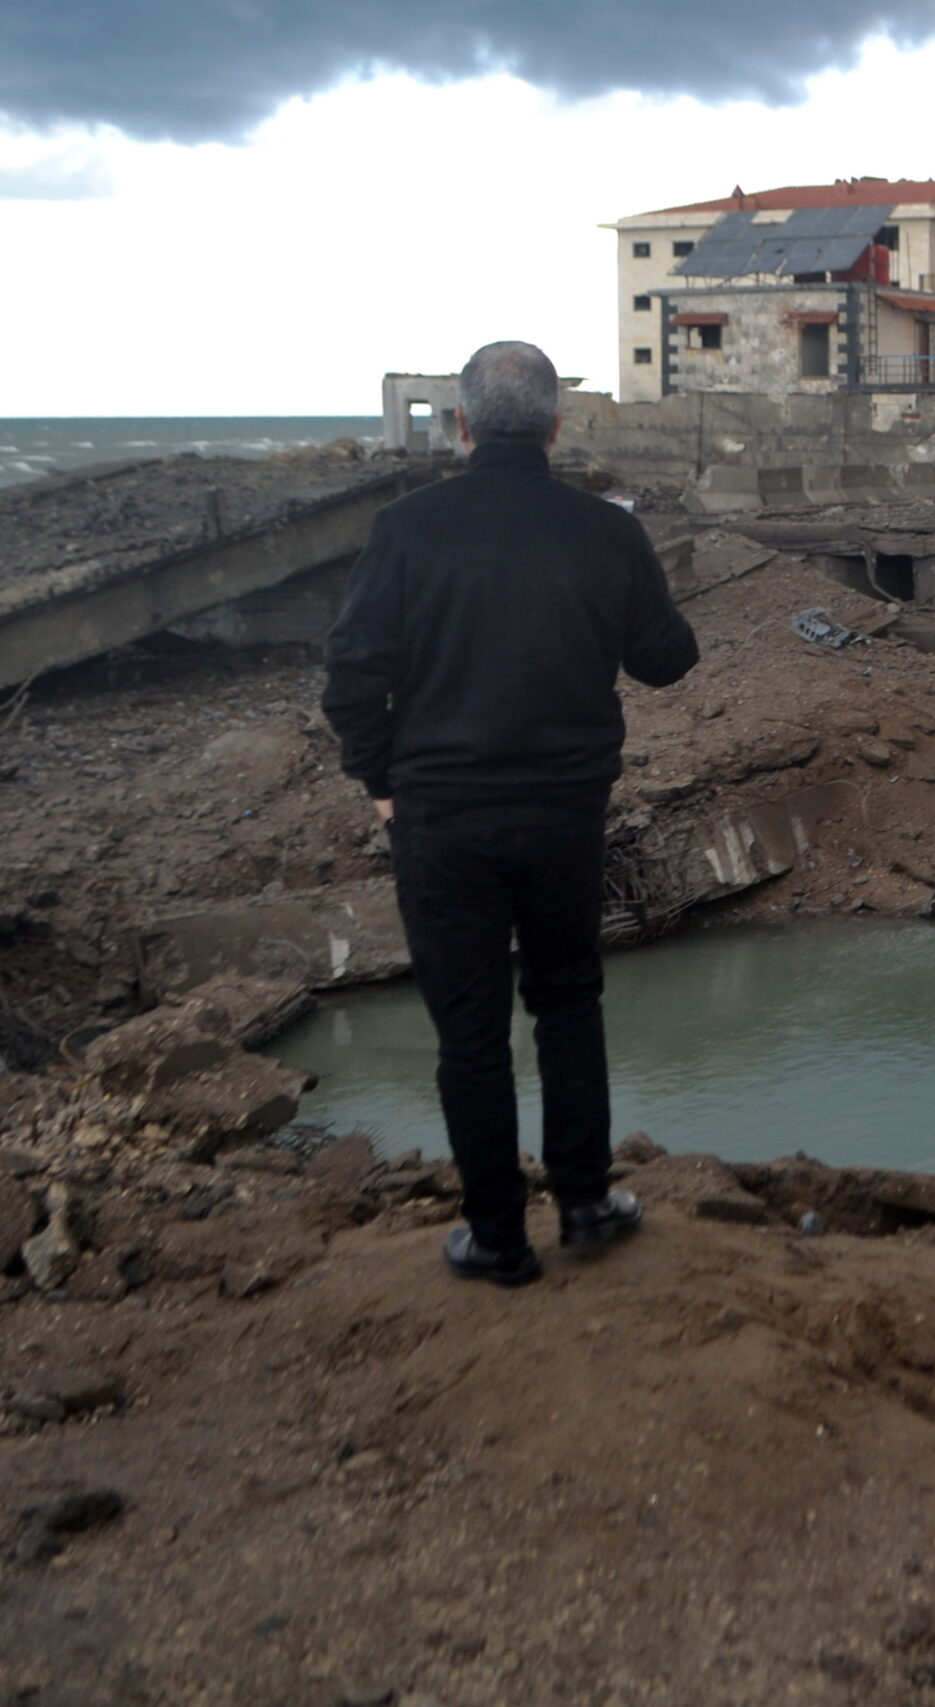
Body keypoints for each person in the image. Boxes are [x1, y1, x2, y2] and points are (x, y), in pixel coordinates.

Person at [323, 341, 699, 1288]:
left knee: (471, 1032)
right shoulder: (605, 532)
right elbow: (666, 660)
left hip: (440, 817)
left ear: (462, 425)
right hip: (564, 812)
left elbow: (352, 676)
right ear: (555, 426)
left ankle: (497, 1237)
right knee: (569, 1002)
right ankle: (584, 1203)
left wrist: (380, 782)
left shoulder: (404, 529)